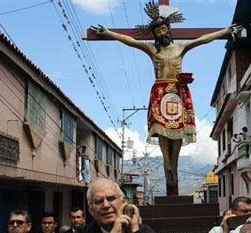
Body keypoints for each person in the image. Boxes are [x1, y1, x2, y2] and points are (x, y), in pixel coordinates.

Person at [90, 1, 241, 195]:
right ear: (155, 34)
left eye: (163, 28)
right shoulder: (153, 51)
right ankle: (167, 165)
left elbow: (203, 39)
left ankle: (174, 167)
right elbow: (132, 42)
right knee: (162, 133)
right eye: (157, 30)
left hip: (177, 93)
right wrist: (109, 33)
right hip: (160, 93)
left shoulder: (181, 47)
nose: (161, 33)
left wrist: (225, 31)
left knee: (177, 132)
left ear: (168, 28)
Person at [63, 178, 173, 233]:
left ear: (123, 202)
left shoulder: (143, 232)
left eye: (111, 198)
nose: (106, 205)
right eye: (98, 201)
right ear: (91, 209)